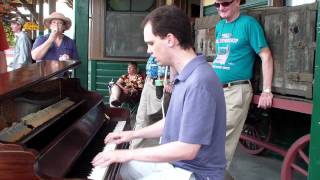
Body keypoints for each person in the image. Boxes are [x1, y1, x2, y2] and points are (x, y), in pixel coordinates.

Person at [92, 5, 226, 180]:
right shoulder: (186, 75)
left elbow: (188, 149)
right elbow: (170, 122)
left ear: (170, 39)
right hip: (175, 166)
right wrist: (132, 134)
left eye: (151, 43)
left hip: (194, 174)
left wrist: (126, 154)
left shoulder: (199, 82)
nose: (148, 50)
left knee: (119, 164)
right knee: (114, 169)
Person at [212, 0, 274, 177]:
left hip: (236, 90)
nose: (221, 8)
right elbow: (220, 57)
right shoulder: (219, 26)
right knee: (208, 134)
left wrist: (267, 90)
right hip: (216, 90)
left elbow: (266, 55)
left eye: (225, 3)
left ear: (238, 2)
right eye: (217, 4)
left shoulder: (248, 24)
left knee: (221, 139)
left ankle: (211, 174)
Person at [129, 55, 172, 149]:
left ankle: (158, 154)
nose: (148, 50)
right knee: (141, 118)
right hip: (149, 81)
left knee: (158, 119)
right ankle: (134, 151)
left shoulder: (172, 43)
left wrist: (171, 80)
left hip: (162, 83)